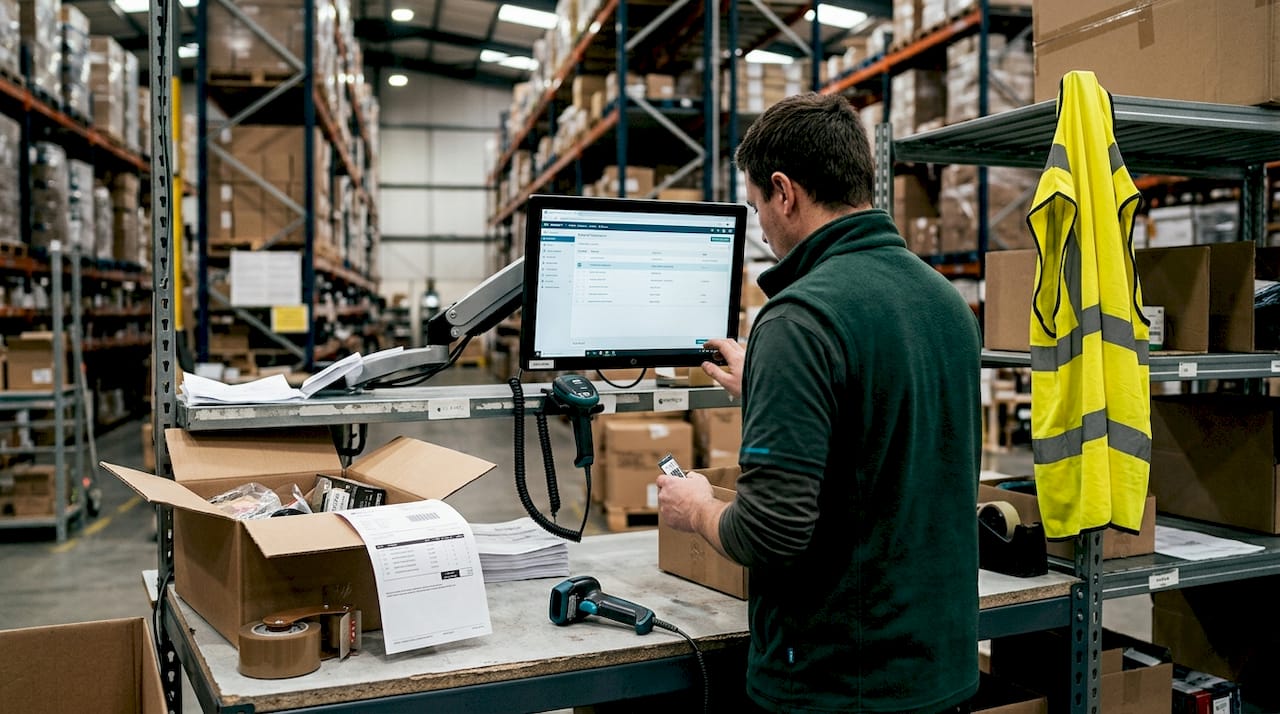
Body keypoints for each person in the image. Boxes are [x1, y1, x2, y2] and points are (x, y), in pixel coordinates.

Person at [657, 92, 981, 714]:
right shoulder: (943, 300)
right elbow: (883, 421)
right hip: (939, 666)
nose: (763, 225)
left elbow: (771, 532)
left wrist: (696, 508)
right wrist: (773, 385)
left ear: (784, 191)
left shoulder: (799, 317)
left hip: (839, 682)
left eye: (756, 205)